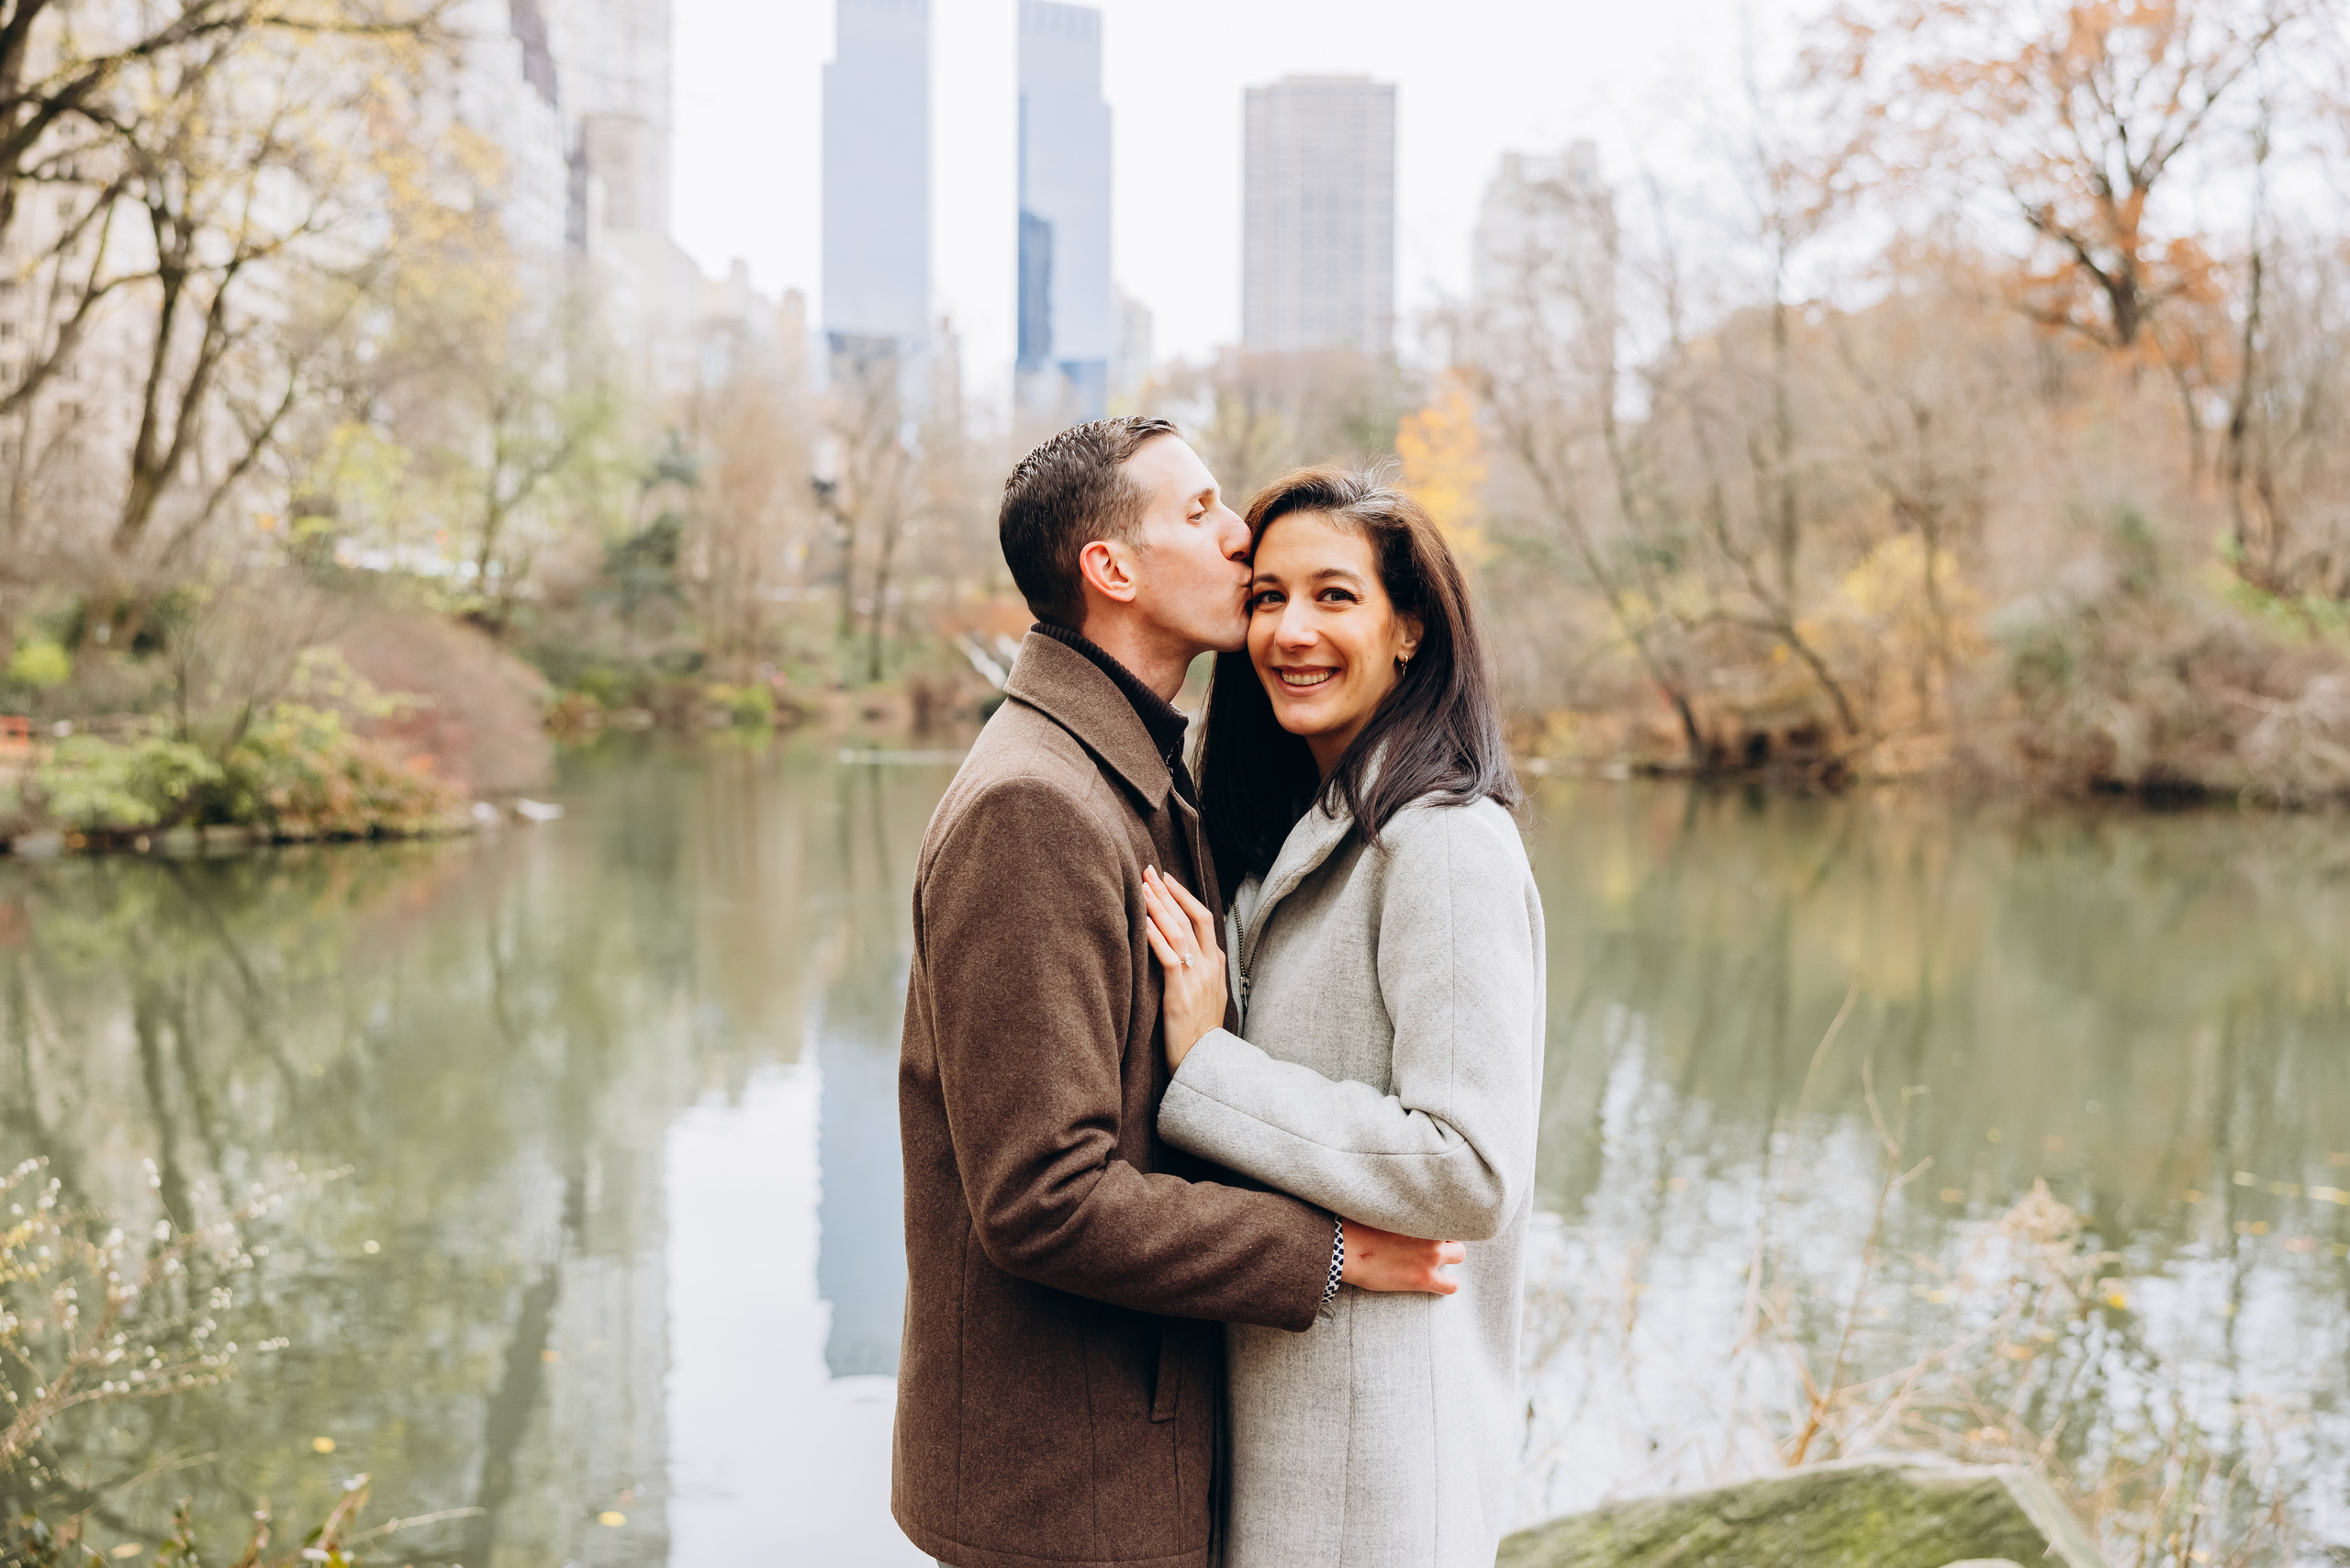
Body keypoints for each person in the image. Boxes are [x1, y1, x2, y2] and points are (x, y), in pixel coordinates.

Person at [894, 420, 1463, 1568]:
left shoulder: (1144, 776)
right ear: (1111, 570)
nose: (1238, 535)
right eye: (1199, 512)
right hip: (1065, 1495)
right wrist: (1332, 1252)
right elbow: (1041, 1195)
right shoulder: (1034, 807)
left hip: (1134, 1454)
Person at [1140, 465, 1545, 1568]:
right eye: (1267, 597)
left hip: (1376, 1484)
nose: (1290, 630)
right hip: (1284, 1443)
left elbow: (1468, 1169)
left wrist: (1209, 1070)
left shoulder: (1444, 841)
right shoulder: (1300, 834)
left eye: (1333, 595)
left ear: (1409, 627)